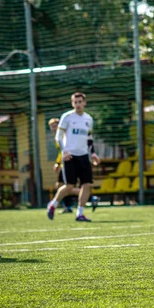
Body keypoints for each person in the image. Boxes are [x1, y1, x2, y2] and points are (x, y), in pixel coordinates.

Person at [47, 92, 100, 222]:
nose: (78, 104)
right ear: (72, 104)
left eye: (80, 102)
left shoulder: (89, 119)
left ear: (84, 103)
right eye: (75, 102)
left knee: (86, 185)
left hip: (84, 156)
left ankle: (80, 214)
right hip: (69, 156)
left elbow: (89, 138)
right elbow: (58, 136)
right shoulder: (67, 117)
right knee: (69, 186)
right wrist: (64, 151)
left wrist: (92, 153)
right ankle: (53, 204)